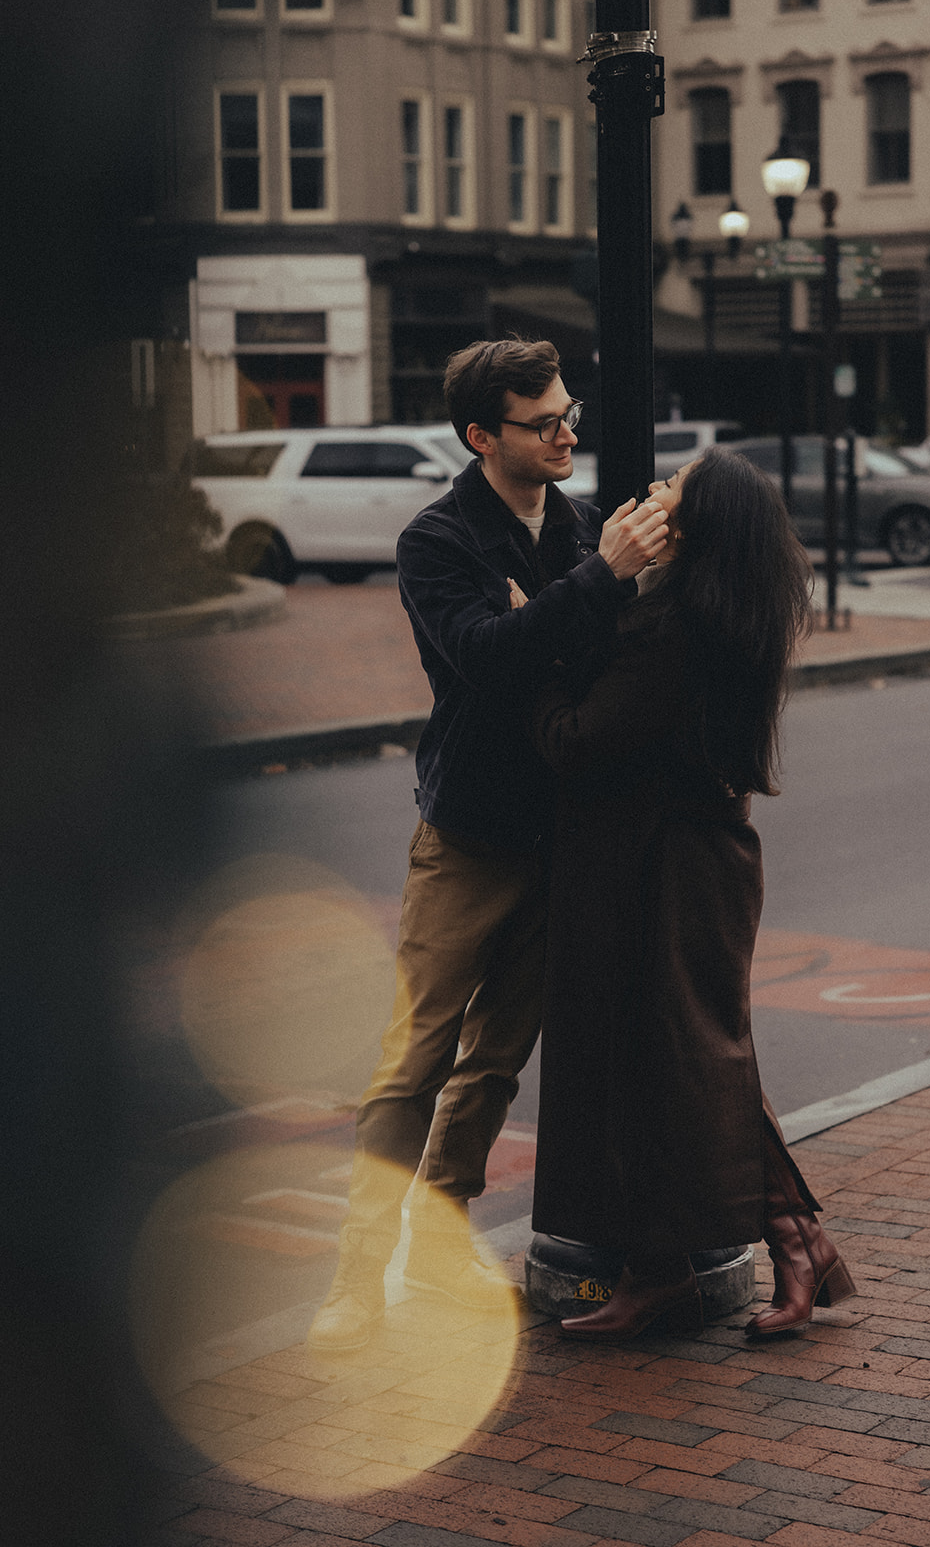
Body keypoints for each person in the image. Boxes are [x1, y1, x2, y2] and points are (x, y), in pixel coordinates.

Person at [308, 338, 668, 1350]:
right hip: (466, 835)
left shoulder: (586, 526)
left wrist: (556, 610)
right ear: (482, 436)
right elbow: (487, 661)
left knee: (492, 1067)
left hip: (562, 838)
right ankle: (352, 1279)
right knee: (413, 1061)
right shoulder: (439, 540)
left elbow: (583, 667)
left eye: (568, 412)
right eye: (543, 421)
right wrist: (589, 591)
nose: (567, 433)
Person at [522, 446, 857, 1342]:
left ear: (698, 524)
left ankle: (751, 1249)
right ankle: (728, 1254)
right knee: (673, 1059)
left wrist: (540, 654)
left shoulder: (674, 631)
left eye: (672, 489)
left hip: (665, 872)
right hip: (691, 863)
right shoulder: (727, 613)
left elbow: (575, 740)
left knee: (684, 1060)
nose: (652, 496)